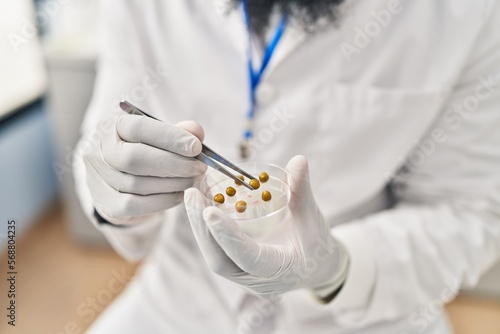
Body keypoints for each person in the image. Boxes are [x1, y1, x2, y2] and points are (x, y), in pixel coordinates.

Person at [74, 0, 500, 333]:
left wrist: (335, 268)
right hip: (181, 300)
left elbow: (469, 211)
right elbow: (105, 138)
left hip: (363, 309)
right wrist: (116, 190)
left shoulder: (463, 14)